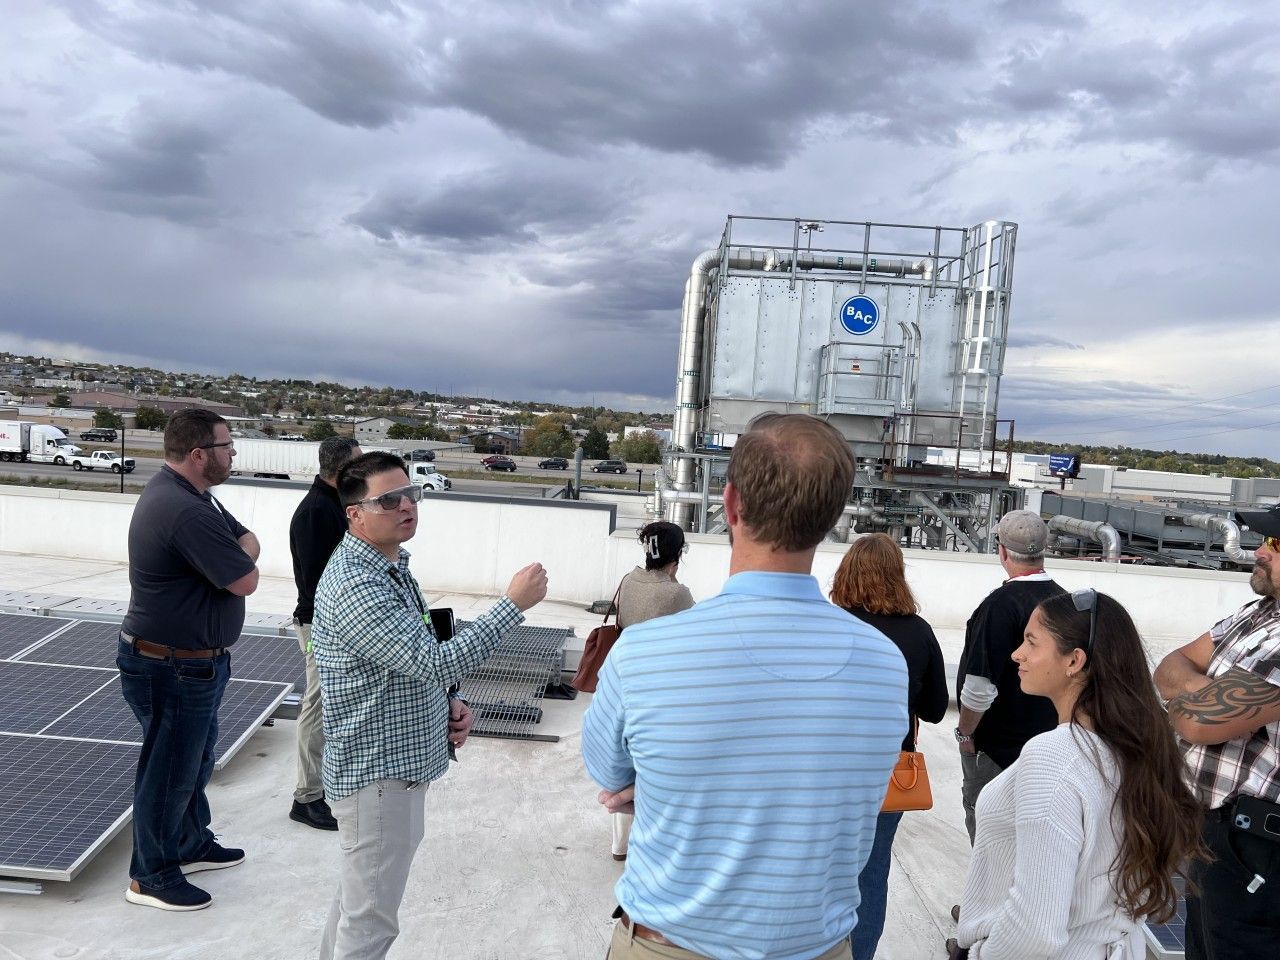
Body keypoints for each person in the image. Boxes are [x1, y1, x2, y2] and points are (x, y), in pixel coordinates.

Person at [582, 413, 908, 960]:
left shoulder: (643, 653)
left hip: (667, 945)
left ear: (730, 503)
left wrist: (670, 783)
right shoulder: (885, 664)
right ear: (832, 519)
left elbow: (611, 776)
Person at [312, 451, 548, 960]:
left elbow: (415, 659)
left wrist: (449, 703)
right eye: (389, 500)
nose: (406, 506)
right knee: (370, 922)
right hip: (378, 776)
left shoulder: (391, 569)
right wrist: (512, 606)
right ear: (355, 513)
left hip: (394, 771)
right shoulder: (357, 584)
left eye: (410, 494)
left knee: (359, 906)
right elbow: (434, 661)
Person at [955, 591, 1204, 959]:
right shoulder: (1134, 746)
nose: (1017, 654)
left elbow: (1034, 930)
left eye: (1031, 642)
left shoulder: (1055, 757)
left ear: (1074, 660)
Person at [116, 409, 260, 912]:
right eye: (226, 446)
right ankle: (150, 876)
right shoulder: (185, 510)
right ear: (199, 454)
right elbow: (245, 578)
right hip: (171, 667)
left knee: (193, 761)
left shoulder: (198, 497)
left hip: (190, 663)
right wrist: (235, 559)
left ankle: (189, 843)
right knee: (169, 772)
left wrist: (236, 555)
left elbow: (247, 542)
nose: (233, 453)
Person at [1155, 502, 1280, 960]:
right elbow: (1168, 667)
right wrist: (1206, 691)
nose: (1260, 552)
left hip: (1260, 849)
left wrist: (1188, 699)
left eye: (1276, 544)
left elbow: (1197, 722)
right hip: (1215, 837)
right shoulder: (1259, 613)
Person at [831, 533, 947, 960]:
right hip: (888, 770)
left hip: (826, 769)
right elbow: (935, 709)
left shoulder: (829, 626)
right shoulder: (919, 632)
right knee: (873, 870)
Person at [955, 510, 1064, 845]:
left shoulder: (999, 606)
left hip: (998, 753)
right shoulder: (1066, 603)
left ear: (1002, 551)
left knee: (992, 845)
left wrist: (965, 734)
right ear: (1044, 550)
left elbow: (979, 687)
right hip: (1051, 751)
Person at [607, 520, 695, 861]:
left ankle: (619, 845)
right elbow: (693, 637)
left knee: (625, 764)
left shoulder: (629, 581)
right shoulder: (677, 594)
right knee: (653, 771)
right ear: (678, 555)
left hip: (624, 684)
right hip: (661, 694)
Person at [287, 435, 361, 831]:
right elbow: (320, 584)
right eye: (358, 463)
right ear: (342, 468)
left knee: (327, 706)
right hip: (320, 625)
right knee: (316, 706)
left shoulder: (334, 504)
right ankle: (307, 798)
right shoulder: (316, 512)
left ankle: (323, 787)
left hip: (333, 624)